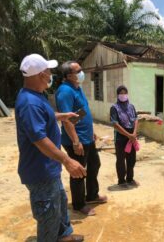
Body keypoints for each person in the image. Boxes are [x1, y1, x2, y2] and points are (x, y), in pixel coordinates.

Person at [15, 54, 85, 242]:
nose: (50, 74)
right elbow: (39, 139)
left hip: (48, 168)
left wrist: (62, 116)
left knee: (60, 204)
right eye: (48, 71)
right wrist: (67, 160)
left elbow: (44, 116)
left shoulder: (36, 96)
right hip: (40, 172)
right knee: (48, 215)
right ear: (39, 74)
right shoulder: (30, 102)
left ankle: (63, 236)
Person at [55, 61, 107, 216]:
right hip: (76, 141)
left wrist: (91, 131)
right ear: (69, 75)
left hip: (87, 138)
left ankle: (91, 195)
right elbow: (67, 119)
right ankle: (79, 204)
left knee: (94, 165)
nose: (82, 73)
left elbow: (81, 112)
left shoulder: (77, 88)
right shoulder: (65, 91)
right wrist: (76, 141)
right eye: (79, 71)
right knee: (79, 172)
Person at [110, 85, 139, 188]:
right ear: (118, 95)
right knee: (121, 159)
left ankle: (130, 178)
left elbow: (136, 119)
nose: (123, 95)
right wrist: (128, 135)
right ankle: (121, 180)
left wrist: (134, 133)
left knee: (132, 159)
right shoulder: (114, 108)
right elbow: (115, 124)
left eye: (125, 93)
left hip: (132, 136)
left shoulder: (131, 106)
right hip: (121, 137)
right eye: (121, 93)